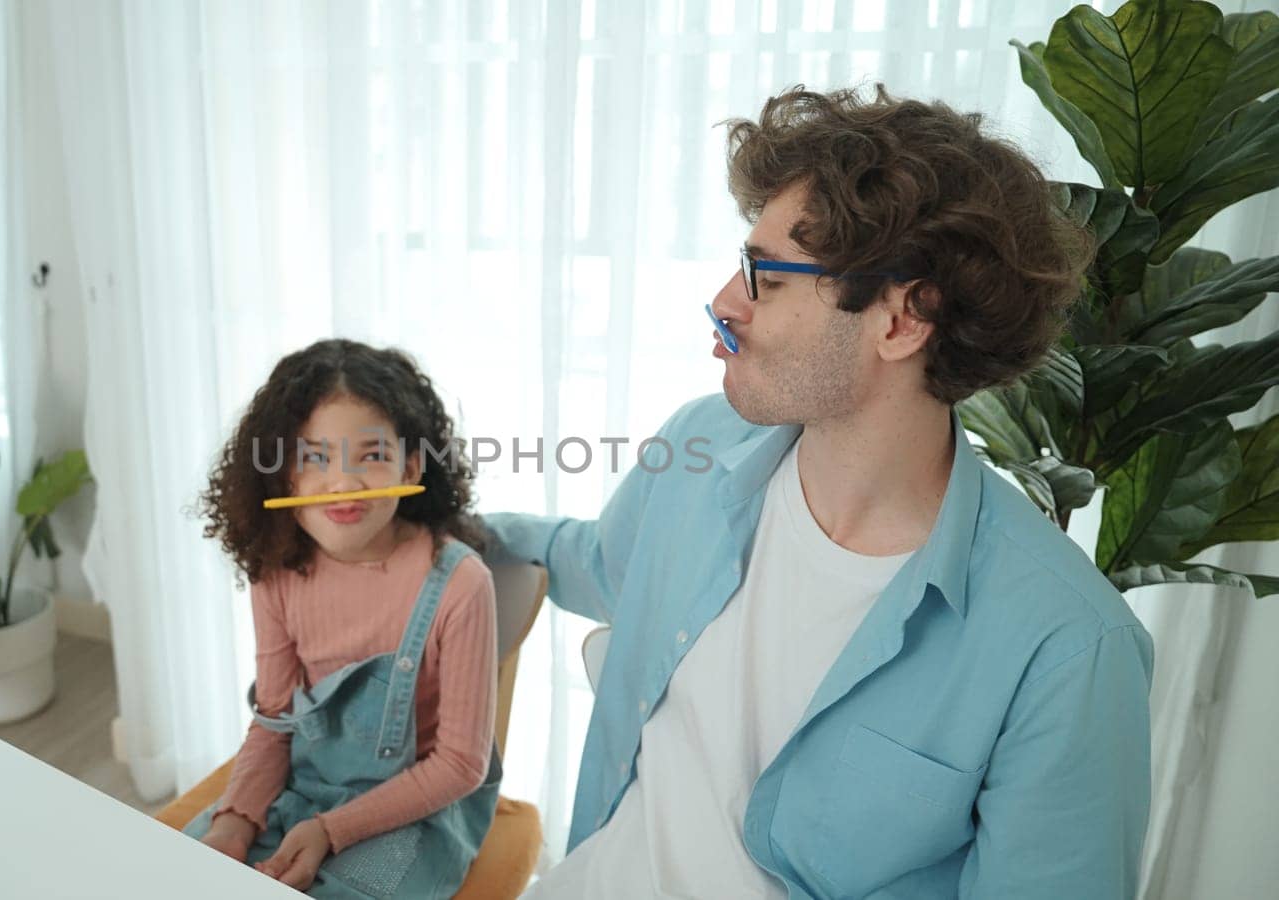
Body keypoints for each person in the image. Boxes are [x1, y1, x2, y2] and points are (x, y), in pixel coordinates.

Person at [487, 85, 1152, 898]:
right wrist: (434, 517)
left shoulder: (1068, 647)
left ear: (904, 320)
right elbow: (597, 561)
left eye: (762, 275)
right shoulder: (700, 446)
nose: (726, 303)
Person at [188, 338, 501, 898]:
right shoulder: (275, 572)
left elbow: (459, 765)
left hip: (422, 809)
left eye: (372, 456)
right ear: (281, 474)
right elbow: (275, 720)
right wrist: (234, 823)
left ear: (410, 465)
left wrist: (331, 831)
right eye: (314, 457)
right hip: (307, 784)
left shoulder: (461, 584)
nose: (344, 482)